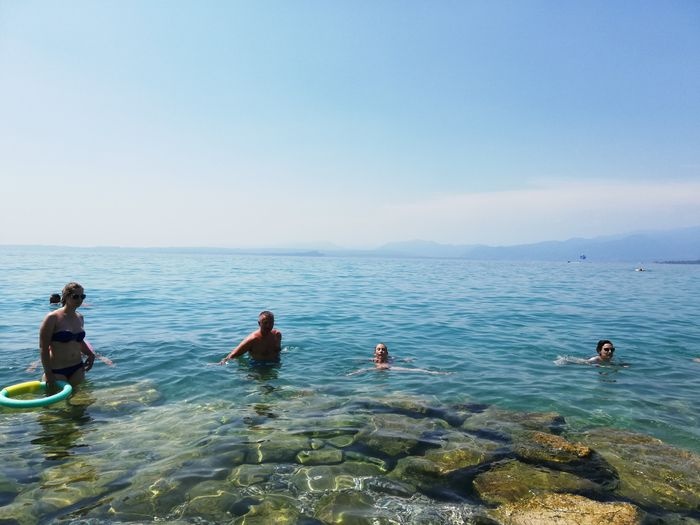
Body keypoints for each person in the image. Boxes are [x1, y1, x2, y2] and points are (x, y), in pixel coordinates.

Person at [39, 282, 96, 391]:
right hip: (57, 370)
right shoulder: (52, 318)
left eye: (82, 296)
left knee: (80, 400)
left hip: (77, 368)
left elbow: (79, 341)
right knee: (57, 401)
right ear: (65, 296)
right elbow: (43, 348)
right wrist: (48, 372)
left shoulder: (79, 317)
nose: (80, 299)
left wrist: (90, 354)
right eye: (75, 296)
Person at [349, 343, 447, 375]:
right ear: (375, 353)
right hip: (376, 368)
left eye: (383, 349)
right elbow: (365, 361)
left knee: (415, 370)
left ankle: (436, 373)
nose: (381, 351)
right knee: (362, 370)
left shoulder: (390, 359)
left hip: (390, 368)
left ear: (387, 352)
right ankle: (349, 375)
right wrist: (359, 362)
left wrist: (406, 360)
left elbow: (398, 360)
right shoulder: (373, 360)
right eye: (378, 349)